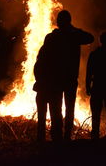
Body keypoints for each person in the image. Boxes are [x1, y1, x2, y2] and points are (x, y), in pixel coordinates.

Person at [40, 10, 94, 140]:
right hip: (69, 78)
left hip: (56, 79)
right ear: (69, 22)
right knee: (69, 108)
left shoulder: (52, 37)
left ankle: (57, 135)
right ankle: (66, 136)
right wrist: (72, 29)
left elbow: (43, 57)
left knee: (55, 107)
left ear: (58, 22)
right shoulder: (74, 35)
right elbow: (89, 37)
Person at [85, 32, 106, 140]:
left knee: (96, 112)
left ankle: (95, 134)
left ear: (100, 41)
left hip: (97, 86)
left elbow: (89, 72)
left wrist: (88, 86)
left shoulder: (94, 54)